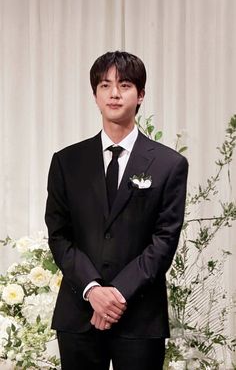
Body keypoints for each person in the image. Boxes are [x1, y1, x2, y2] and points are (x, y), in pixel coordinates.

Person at [45, 50, 188, 370]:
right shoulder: (67, 162)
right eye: (105, 85)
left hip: (140, 317)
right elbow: (58, 235)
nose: (114, 93)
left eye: (124, 85)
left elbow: (164, 240)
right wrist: (92, 289)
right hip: (79, 314)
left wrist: (117, 294)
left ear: (140, 95)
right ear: (94, 95)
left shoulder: (169, 164)